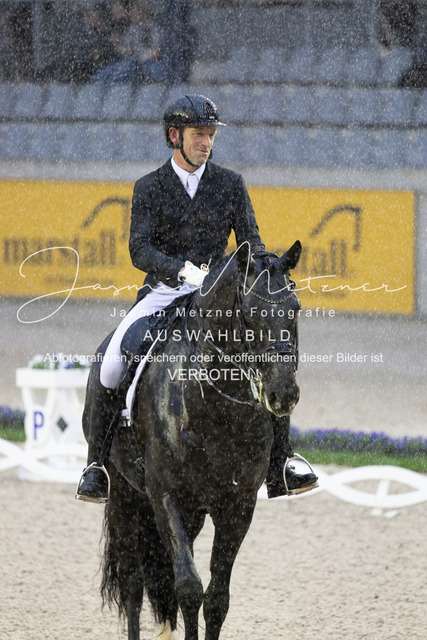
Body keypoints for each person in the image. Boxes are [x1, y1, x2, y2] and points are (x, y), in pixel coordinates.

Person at [75, 94, 318, 503]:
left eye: (210, 136)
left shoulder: (230, 184)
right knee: (111, 359)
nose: (206, 142)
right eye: (198, 135)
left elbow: (251, 241)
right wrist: (181, 270)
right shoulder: (149, 187)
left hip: (217, 296)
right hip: (164, 291)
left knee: (270, 353)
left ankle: (283, 462)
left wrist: (268, 269)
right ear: (175, 136)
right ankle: (96, 465)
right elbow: (139, 249)